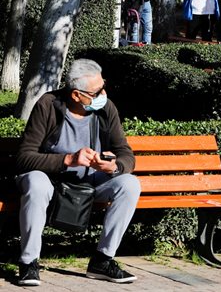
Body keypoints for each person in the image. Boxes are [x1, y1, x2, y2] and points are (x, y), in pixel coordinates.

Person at [15, 59, 141, 286]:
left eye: (103, 87)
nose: (103, 94)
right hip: (51, 182)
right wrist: (68, 160)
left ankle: (102, 260)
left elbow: (126, 154)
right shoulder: (48, 105)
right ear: (75, 95)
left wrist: (114, 166)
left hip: (92, 183)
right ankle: (28, 263)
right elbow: (24, 158)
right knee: (36, 182)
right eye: (96, 92)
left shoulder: (106, 109)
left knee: (129, 184)